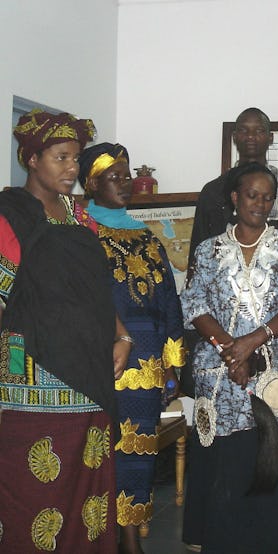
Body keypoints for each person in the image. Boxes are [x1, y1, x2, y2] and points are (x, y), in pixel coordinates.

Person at [0, 110, 133, 552]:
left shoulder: (81, 217)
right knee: (31, 496)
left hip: (89, 372)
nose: (71, 169)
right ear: (31, 159)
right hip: (32, 374)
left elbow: (96, 290)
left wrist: (122, 336)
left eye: (75, 159)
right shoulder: (7, 217)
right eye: (60, 158)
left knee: (87, 496)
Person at [181, 162, 278, 554]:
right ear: (234, 198)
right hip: (224, 375)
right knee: (233, 464)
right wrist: (232, 348)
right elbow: (194, 305)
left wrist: (254, 341)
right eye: (252, 195)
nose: (260, 203)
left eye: (267, 197)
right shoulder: (208, 250)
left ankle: (277, 540)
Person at [77, 142, 187, 554]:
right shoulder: (81, 233)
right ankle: (95, 535)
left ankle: (129, 538)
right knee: (96, 451)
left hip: (147, 360)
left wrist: (172, 365)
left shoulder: (147, 237)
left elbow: (168, 301)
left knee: (138, 456)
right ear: (92, 183)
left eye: (127, 177)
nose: (125, 184)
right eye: (115, 178)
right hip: (99, 358)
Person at [188, 107, 278, 265]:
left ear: (270, 137)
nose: (251, 136)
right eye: (244, 130)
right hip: (226, 285)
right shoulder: (213, 192)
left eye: (259, 131)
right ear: (234, 137)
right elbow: (198, 258)